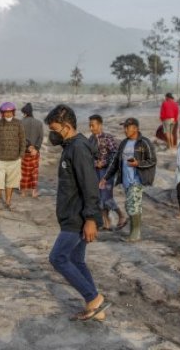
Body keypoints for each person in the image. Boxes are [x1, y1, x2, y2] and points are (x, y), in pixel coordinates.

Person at [45, 104, 111, 322]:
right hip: (73, 214)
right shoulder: (71, 146)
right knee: (76, 259)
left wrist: (91, 219)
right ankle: (96, 309)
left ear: (66, 126)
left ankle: (94, 298)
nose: (52, 134)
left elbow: (90, 185)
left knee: (58, 258)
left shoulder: (79, 148)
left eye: (54, 129)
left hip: (77, 217)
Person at [100, 117, 157, 242]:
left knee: (131, 205)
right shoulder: (124, 143)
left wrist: (138, 164)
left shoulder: (144, 142)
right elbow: (115, 163)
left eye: (127, 127)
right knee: (133, 205)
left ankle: (135, 234)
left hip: (138, 180)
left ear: (135, 128)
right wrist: (105, 178)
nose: (125, 130)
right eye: (124, 127)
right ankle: (135, 231)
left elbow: (153, 160)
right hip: (126, 181)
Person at [88, 114, 127, 231]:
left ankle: (121, 215)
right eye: (89, 125)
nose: (91, 128)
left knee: (106, 196)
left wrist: (103, 162)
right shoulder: (91, 139)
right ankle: (106, 222)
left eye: (93, 125)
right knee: (100, 197)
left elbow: (115, 154)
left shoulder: (108, 138)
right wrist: (95, 163)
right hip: (96, 171)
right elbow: (89, 155)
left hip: (107, 172)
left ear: (100, 125)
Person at [0, 102, 27, 210]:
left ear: (13, 112)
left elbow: (23, 140)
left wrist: (21, 155)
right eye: (5, 112)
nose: (8, 115)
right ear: (2, 113)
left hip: (14, 160)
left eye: (10, 112)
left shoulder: (18, 123)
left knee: (11, 183)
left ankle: (8, 201)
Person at [20, 103, 44, 198]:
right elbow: (41, 137)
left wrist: (27, 146)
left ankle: (23, 192)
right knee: (34, 171)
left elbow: (20, 137)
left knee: (24, 172)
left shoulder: (20, 123)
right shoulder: (39, 123)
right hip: (35, 152)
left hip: (24, 151)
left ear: (25, 113)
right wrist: (36, 148)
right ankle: (34, 192)